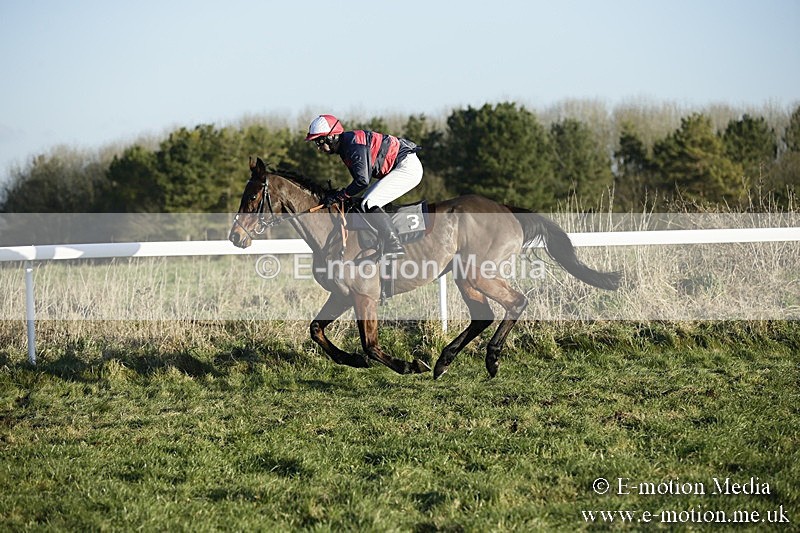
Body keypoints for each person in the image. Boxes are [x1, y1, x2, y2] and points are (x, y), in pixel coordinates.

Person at [305, 114, 423, 257]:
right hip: (401, 164)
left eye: (319, 141)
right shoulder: (347, 145)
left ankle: (395, 246)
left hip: (407, 167)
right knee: (364, 202)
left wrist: (340, 195)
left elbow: (362, 181)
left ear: (331, 137)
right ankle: (382, 242)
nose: (318, 148)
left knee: (369, 202)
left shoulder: (353, 146)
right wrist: (342, 195)